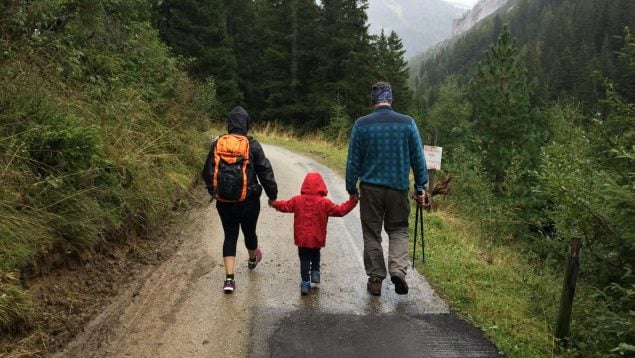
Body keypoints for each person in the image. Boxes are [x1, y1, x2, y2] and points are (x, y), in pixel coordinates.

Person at [345, 82, 428, 297]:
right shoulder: (407, 123)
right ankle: (398, 271)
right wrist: (421, 186)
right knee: (399, 229)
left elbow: (353, 161)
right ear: (390, 99)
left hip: (371, 189)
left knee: (372, 234)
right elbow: (418, 159)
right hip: (398, 189)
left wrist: (351, 187)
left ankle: (375, 279)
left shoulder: (361, 125)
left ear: (373, 100)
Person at [202, 106, 278, 294]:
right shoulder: (252, 145)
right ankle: (253, 259)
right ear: (246, 124)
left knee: (230, 236)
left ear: (229, 124)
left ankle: (229, 279)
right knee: (249, 232)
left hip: (224, 202)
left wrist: (216, 191)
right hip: (249, 201)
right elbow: (265, 171)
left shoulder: (218, 143)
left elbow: (207, 172)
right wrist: (272, 195)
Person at [271, 172, 358, 295]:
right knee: (316, 253)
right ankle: (315, 272)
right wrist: (353, 201)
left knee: (304, 259)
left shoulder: (297, 200)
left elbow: (285, 206)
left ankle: (305, 283)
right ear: (321, 186)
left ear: (304, 185)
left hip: (302, 238)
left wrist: (274, 203)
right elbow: (340, 210)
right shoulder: (325, 203)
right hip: (317, 237)